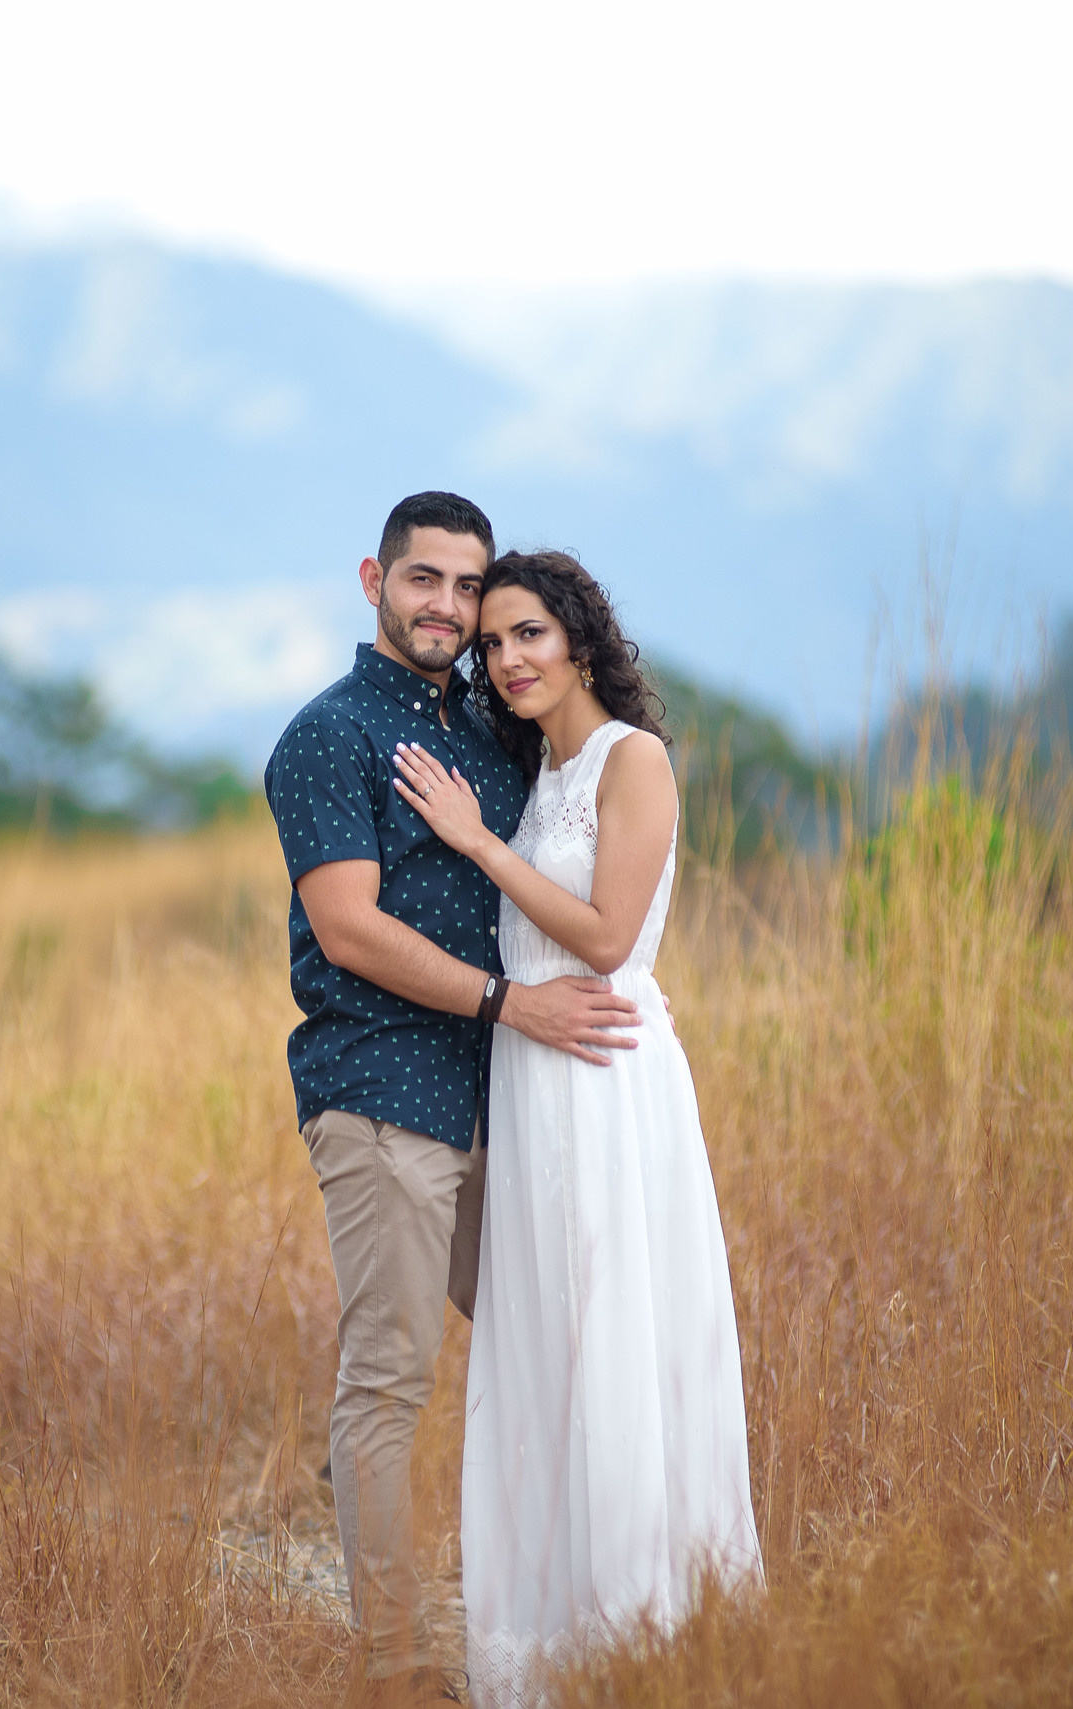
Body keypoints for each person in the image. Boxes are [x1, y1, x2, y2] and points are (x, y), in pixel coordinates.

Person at [264, 496, 649, 1705]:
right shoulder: (326, 738)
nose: (443, 603)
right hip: (384, 1091)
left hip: (513, 1102)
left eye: (463, 586)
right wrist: (509, 1004)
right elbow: (349, 928)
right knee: (389, 1376)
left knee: (552, 1340)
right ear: (374, 577)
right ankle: (395, 1666)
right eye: (420, 577)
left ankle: (590, 1617)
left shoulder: (489, 722)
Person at [390, 549, 762, 1707]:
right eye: (493, 642)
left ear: (582, 641)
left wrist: (477, 842)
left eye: (528, 635)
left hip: (604, 1074)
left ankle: (642, 1628)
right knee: (539, 1335)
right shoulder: (535, 769)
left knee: (615, 1329)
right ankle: (542, 1645)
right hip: (531, 1075)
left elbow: (606, 938)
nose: (505, 658)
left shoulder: (629, 758)